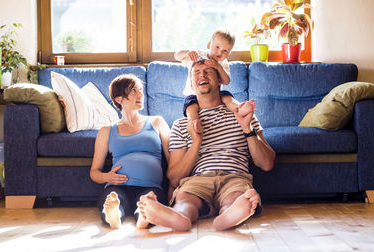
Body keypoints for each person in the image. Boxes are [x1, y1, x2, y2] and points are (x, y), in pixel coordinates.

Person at [137, 57, 276, 231]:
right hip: (197, 180)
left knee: (235, 198)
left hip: (234, 177)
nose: (202, 74)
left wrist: (247, 128)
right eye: (196, 72)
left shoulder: (243, 113)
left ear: (219, 80)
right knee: (185, 201)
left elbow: (267, 163)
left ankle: (229, 216)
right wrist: (196, 142)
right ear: (192, 85)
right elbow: (174, 177)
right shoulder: (182, 124)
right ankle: (179, 218)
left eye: (208, 71)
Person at [90, 74, 171, 229]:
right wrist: (107, 177)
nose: (140, 94)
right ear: (119, 99)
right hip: (117, 186)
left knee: (149, 201)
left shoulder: (157, 122)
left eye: (140, 90)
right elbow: (94, 172)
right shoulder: (107, 131)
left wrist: (173, 187)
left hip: (151, 186)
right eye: (134, 91)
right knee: (113, 200)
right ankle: (113, 216)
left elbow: (173, 158)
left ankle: (143, 217)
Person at [174, 29, 242, 133]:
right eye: (217, 47)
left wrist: (218, 67)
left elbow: (227, 81)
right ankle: (194, 124)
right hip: (193, 94)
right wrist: (187, 53)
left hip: (216, 95)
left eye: (225, 51)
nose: (220, 52)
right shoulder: (198, 54)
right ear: (209, 44)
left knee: (227, 97)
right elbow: (177, 56)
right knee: (191, 107)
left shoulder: (222, 62)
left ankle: (240, 109)